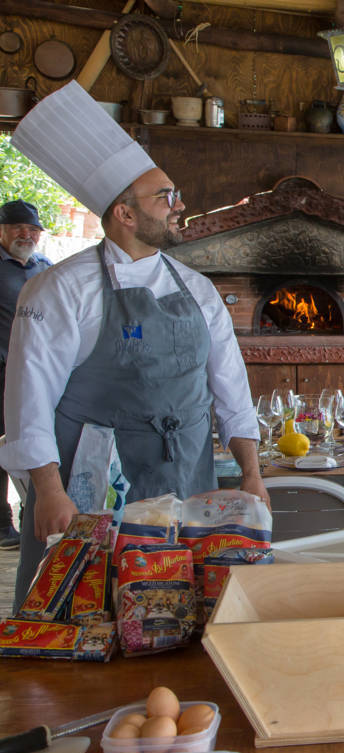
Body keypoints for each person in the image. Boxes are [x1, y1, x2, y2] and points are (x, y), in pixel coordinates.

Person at [2, 81, 268, 610]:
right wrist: (48, 490)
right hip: (91, 489)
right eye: (165, 197)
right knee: (86, 610)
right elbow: (28, 399)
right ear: (124, 214)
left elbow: (231, 390)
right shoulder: (60, 289)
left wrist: (252, 474)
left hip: (186, 480)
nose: (180, 205)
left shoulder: (198, 290)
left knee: (173, 612)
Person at [0, 200, 52, 550]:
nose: (26, 234)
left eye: (32, 229)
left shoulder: (44, 268)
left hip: (35, 373)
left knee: (30, 439)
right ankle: (3, 524)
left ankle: (34, 516)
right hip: (1, 368)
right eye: (19, 227)